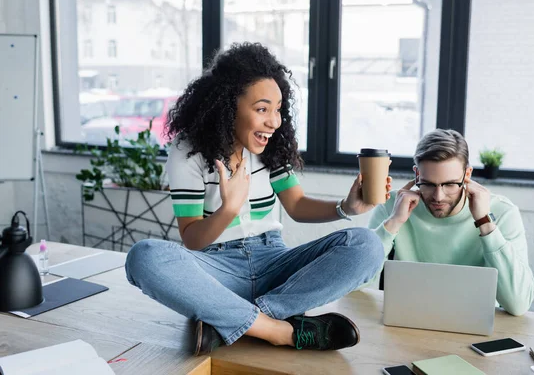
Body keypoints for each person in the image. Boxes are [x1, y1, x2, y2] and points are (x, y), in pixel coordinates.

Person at [125, 42, 388, 355]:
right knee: (144, 256)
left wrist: (345, 208)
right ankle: (279, 331)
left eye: (277, 110)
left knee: (366, 245)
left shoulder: (270, 147)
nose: (274, 122)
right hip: (215, 267)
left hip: (274, 261)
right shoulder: (189, 150)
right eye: (262, 109)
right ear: (227, 106)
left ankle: (231, 321)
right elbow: (192, 239)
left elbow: (297, 206)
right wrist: (228, 210)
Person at [369, 129, 534, 316]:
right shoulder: (392, 205)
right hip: (407, 321)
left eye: (450, 184)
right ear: (416, 175)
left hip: (475, 324)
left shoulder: (503, 212)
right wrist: (394, 222)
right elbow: (359, 283)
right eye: (429, 184)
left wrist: (485, 222)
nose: (438, 196)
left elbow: (519, 303)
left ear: (467, 175)